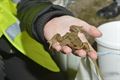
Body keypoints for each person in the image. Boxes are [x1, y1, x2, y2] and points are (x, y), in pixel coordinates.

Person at [0, 0, 102, 80]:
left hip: (18, 45)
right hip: (67, 38)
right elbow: (61, 40)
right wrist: (55, 40)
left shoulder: (79, 44)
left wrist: (48, 17)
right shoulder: (66, 41)